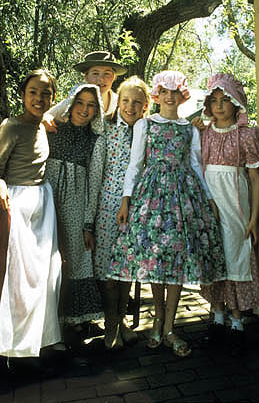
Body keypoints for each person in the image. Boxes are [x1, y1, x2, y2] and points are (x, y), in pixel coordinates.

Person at [108, 70, 226, 358]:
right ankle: (157, 321)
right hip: (152, 196)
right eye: (164, 90)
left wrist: (208, 197)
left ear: (182, 95)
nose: (170, 96)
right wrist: (126, 200)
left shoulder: (190, 128)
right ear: (156, 95)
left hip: (183, 197)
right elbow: (135, 165)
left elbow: (196, 165)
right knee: (155, 261)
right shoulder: (145, 125)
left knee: (175, 262)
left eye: (175, 91)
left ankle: (170, 327)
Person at [197, 73, 259, 350]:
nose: (220, 105)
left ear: (237, 103)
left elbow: (256, 177)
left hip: (236, 202)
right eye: (214, 101)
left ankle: (237, 320)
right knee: (215, 256)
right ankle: (217, 315)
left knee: (235, 256)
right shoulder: (203, 132)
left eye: (225, 100)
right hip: (210, 201)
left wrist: (254, 218)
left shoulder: (247, 134)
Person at [0, 69, 62, 358]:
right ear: (23, 95)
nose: (39, 98)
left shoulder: (42, 125)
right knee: (17, 278)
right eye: (33, 92)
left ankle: (41, 340)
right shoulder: (11, 126)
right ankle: (11, 348)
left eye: (45, 93)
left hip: (42, 202)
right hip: (17, 202)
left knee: (45, 275)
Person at [94, 76, 150, 350]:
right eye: (125, 100)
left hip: (137, 205)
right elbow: (97, 170)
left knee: (126, 268)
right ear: (118, 100)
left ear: (145, 104)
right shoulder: (106, 129)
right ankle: (111, 323)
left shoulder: (148, 130)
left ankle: (121, 320)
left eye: (136, 101)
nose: (130, 106)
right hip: (107, 206)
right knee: (106, 268)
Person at [45, 84, 106, 337]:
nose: (84, 109)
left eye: (91, 105)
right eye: (80, 102)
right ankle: (49, 317)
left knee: (76, 258)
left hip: (76, 203)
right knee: (47, 260)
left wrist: (88, 224)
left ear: (97, 110)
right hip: (48, 198)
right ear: (71, 103)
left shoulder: (96, 140)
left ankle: (75, 318)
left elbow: (94, 183)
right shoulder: (52, 129)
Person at [45, 51, 127, 127]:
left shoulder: (118, 102)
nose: (101, 79)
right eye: (95, 73)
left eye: (107, 74)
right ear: (86, 77)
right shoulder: (75, 98)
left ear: (113, 77)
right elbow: (48, 116)